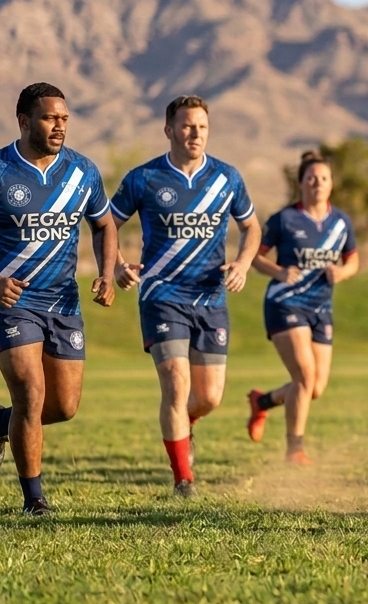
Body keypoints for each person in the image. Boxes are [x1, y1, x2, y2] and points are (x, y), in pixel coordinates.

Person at [0, 82, 118, 515]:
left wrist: (107, 272)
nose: (59, 126)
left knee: (63, 407)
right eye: (48, 118)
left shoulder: (83, 172)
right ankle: (34, 500)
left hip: (63, 303)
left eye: (64, 119)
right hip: (10, 303)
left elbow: (105, 225)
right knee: (31, 392)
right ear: (23, 121)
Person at [111, 95, 260, 497]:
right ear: (169, 130)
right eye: (188, 126)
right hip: (162, 295)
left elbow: (252, 228)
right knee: (176, 385)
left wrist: (243, 264)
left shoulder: (227, 178)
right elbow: (106, 223)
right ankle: (183, 480)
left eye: (202, 127)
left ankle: (186, 426)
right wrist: (117, 264)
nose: (196, 134)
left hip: (211, 299)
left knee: (208, 397)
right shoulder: (144, 178)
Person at [245, 151, 359, 464]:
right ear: (300, 184)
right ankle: (294, 449)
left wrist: (343, 272)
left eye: (323, 178)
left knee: (315, 387)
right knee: (305, 376)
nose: (317, 183)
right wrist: (279, 272)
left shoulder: (341, 222)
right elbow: (255, 255)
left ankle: (263, 401)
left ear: (332, 184)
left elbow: (353, 260)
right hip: (285, 303)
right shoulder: (285, 219)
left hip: (321, 308)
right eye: (311, 178)